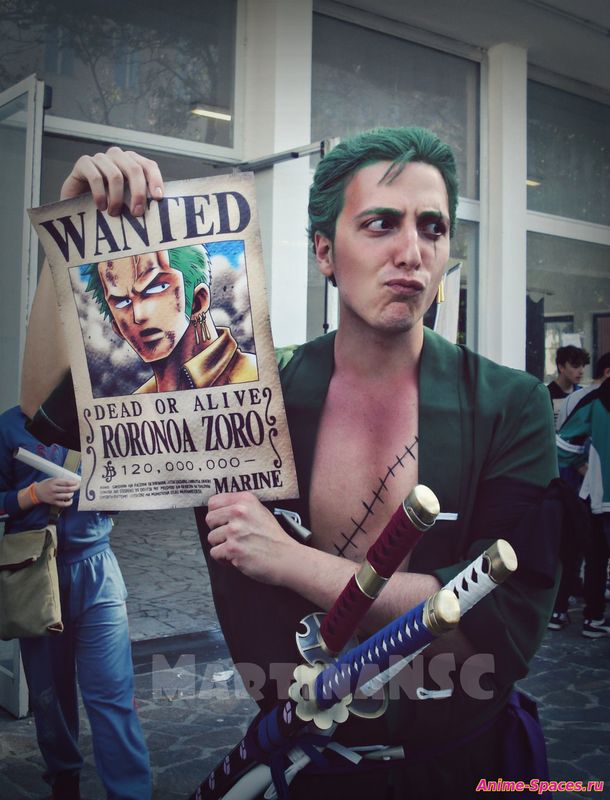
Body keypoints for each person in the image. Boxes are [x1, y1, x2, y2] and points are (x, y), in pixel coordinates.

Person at [21, 131, 560, 798]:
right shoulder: (247, 391)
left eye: (433, 228)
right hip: (303, 766)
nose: (412, 251)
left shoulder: (510, 405)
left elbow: (499, 624)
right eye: (381, 224)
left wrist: (289, 560)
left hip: (466, 763)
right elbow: (42, 411)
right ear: (324, 251)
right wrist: (71, 234)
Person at [0, 406, 151, 800]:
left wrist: (117, 493)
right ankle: (64, 782)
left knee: (113, 693)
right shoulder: (10, 426)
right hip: (34, 572)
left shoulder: (103, 418)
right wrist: (31, 495)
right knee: (49, 696)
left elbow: (132, 488)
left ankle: (131, 793)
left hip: (97, 568)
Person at [84, 244, 257, 393]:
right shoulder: (139, 401)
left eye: (156, 288)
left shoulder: (253, 376)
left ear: (198, 301)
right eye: (123, 302)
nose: (138, 315)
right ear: (117, 328)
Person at [556, 355, 610, 639]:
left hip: (594, 493)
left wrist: (585, 468)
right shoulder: (584, 398)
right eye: (575, 365)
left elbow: (563, 444)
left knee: (588, 555)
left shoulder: (590, 399)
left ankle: (590, 615)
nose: (579, 371)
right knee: (581, 552)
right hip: (581, 491)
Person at [546, 345, 590, 428]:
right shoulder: (547, 393)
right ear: (561, 367)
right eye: (575, 366)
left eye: (583, 366)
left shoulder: (582, 394)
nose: (581, 371)